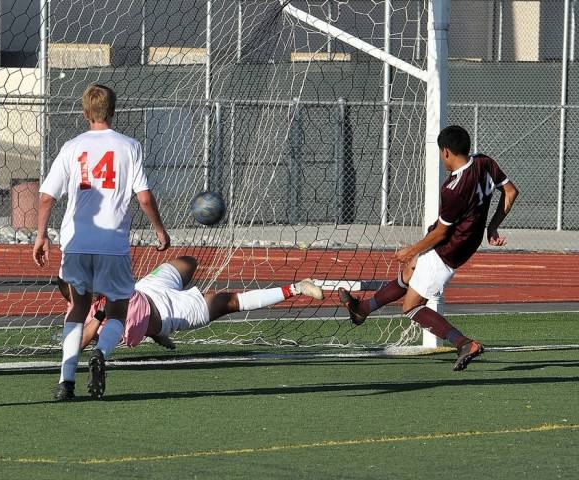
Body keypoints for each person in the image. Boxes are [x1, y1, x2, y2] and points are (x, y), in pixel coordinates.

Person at [339, 125, 518, 371]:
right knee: (409, 274)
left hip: (447, 250)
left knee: (411, 306)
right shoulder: (485, 162)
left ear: (446, 152)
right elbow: (510, 192)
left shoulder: (453, 189)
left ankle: (464, 343)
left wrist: (412, 249)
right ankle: (362, 310)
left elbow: (442, 233)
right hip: (460, 242)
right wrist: (492, 226)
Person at [33, 84, 169, 401]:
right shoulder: (129, 146)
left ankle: (66, 381)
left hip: (77, 241)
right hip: (113, 243)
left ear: (84, 113)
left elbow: (46, 197)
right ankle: (102, 354)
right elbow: (145, 197)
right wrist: (160, 230)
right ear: (114, 111)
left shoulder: (71, 146)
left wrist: (41, 235)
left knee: (77, 310)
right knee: (117, 308)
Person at [55, 256, 324, 358]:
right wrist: (100, 312)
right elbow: (78, 344)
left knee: (188, 262)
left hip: (150, 288)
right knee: (227, 302)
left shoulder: (99, 282)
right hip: (171, 311)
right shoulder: (79, 313)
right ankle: (297, 287)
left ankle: (153, 332)